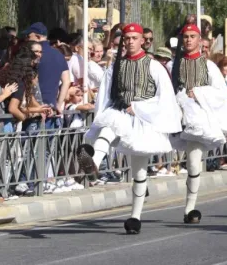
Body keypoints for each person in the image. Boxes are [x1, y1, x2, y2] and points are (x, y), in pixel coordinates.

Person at [77, 23, 182, 235]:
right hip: (120, 112)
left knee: (139, 171)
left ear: (142, 40)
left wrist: (142, 110)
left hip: (143, 118)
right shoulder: (115, 66)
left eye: (134, 38)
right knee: (109, 126)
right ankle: (93, 165)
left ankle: (135, 216)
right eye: (127, 38)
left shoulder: (154, 66)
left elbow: (164, 97)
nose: (130, 42)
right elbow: (105, 92)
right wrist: (102, 113)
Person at [169, 22, 227, 224]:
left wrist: (198, 92)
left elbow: (221, 94)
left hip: (198, 120)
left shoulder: (209, 66)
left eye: (192, 36)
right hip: (179, 118)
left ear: (199, 40)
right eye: (185, 36)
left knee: (194, 163)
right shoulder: (173, 65)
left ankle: (190, 208)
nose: (188, 40)